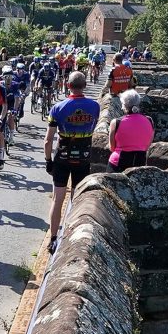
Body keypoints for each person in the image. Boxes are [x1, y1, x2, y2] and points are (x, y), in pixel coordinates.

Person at [42, 70, 103, 252]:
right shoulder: (94, 106)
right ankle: (71, 235)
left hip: (62, 157)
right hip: (83, 158)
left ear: (68, 85)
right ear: (84, 86)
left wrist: (48, 161)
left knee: (57, 199)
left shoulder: (57, 108)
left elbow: (47, 140)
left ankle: (53, 239)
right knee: (76, 199)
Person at [106, 91, 154, 171]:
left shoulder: (116, 122)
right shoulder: (149, 120)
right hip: (140, 163)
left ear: (124, 105)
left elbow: (112, 147)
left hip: (118, 164)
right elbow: (147, 145)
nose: (121, 108)